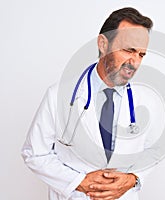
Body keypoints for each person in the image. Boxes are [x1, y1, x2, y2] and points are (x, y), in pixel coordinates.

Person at [22, 7, 155, 200]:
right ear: (103, 43)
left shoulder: (147, 101)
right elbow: (34, 153)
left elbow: (152, 151)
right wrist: (79, 182)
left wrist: (134, 178)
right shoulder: (58, 96)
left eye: (141, 55)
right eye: (129, 50)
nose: (134, 62)